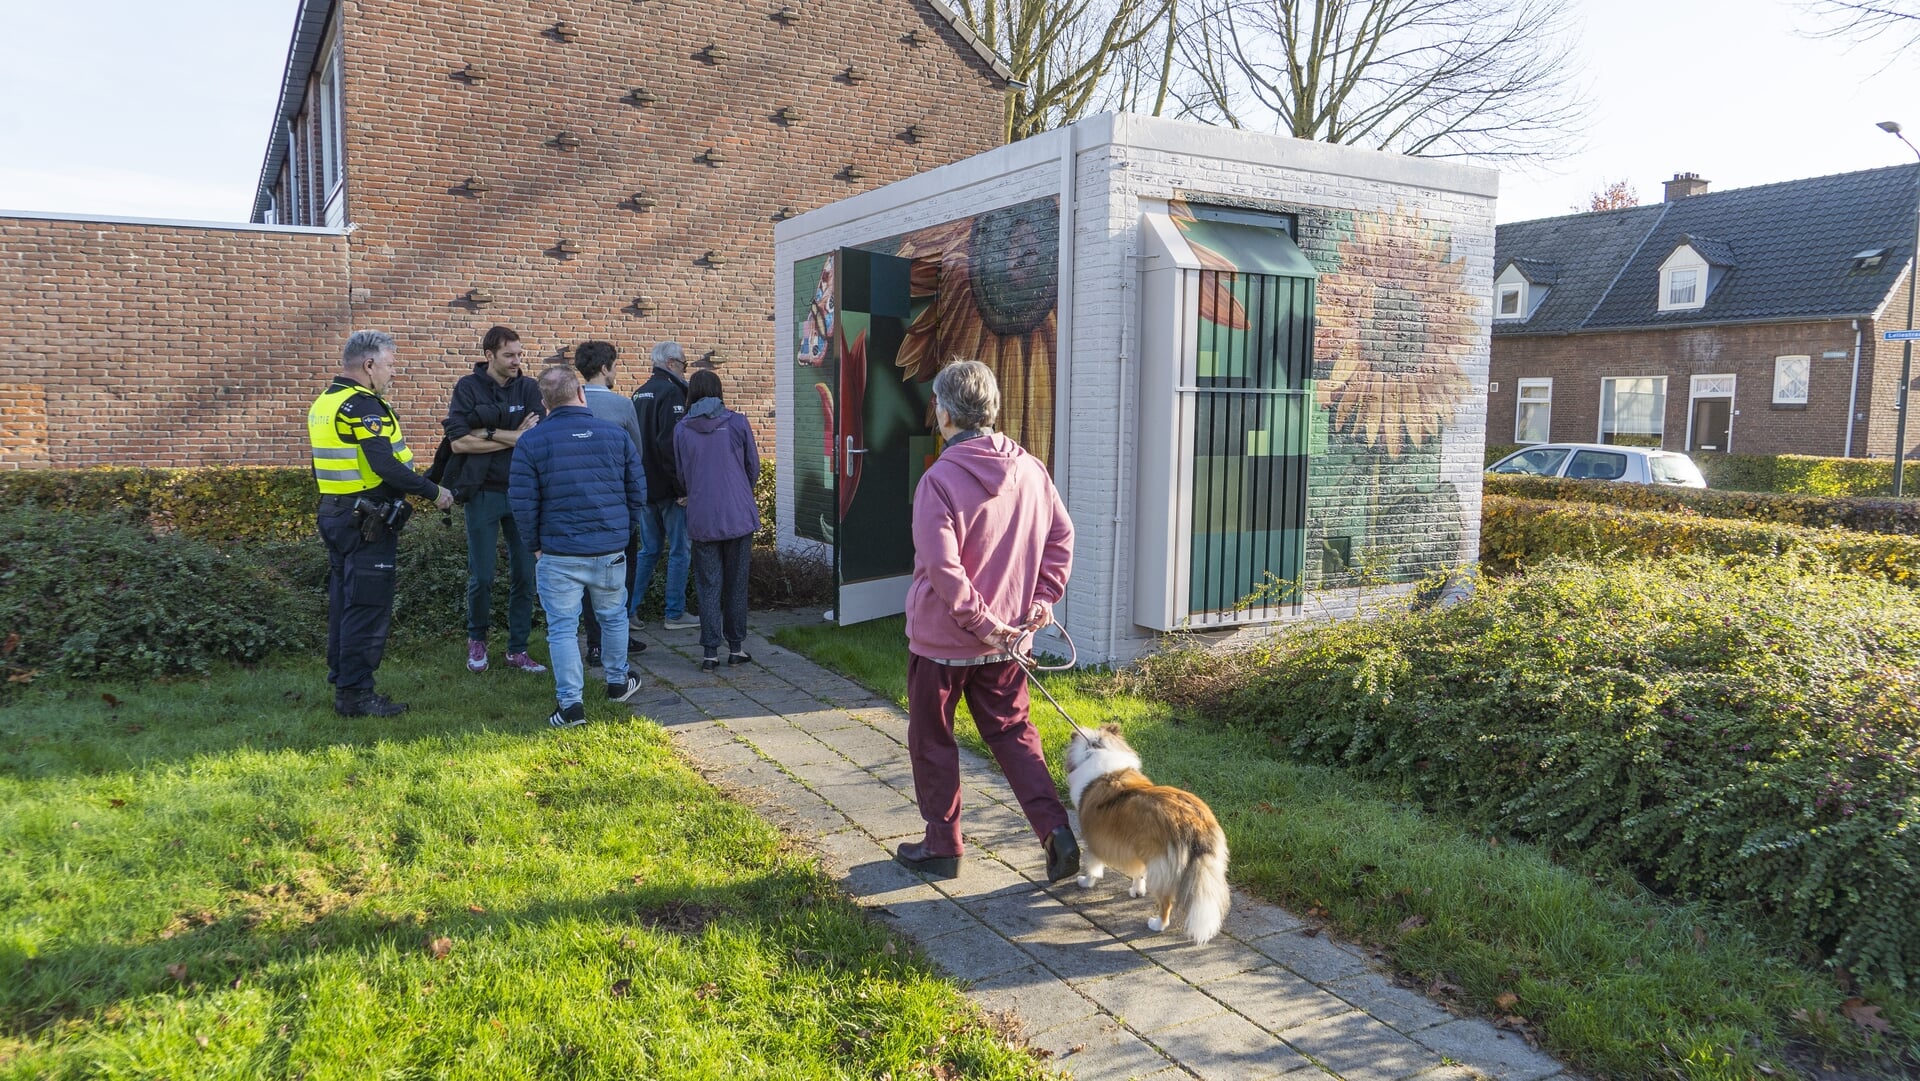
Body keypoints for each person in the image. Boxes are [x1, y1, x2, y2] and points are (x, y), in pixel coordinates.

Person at [894, 359, 1078, 882]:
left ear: (944, 413)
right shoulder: (1032, 470)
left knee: (932, 740)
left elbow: (943, 570)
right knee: (1014, 734)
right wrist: (1041, 599)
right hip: (1007, 643)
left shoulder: (938, 480)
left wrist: (988, 622)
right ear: (992, 407)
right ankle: (1057, 834)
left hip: (944, 643)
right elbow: (1061, 538)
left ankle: (943, 845)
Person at [308, 330, 456, 717]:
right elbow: (384, 465)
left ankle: (343, 677)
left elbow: (321, 465)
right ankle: (356, 695)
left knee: (345, 601)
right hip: (365, 519)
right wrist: (433, 492)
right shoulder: (362, 406)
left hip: (336, 512)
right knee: (367, 605)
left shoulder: (326, 402)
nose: (393, 373)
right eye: (390, 365)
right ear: (369, 364)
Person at [509, 366, 649, 727]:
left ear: (544, 403)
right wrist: (622, 531)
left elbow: (523, 503)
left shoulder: (531, 442)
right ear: (581, 394)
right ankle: (618, 683)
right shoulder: (615, 435)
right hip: (608, 546)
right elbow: (637, 491)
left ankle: (571, 706)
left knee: (562, 628)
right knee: (614, 616)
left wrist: (535, 546)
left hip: (558, 552)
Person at [443, 325, 548, 676]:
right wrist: (514, 435)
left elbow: (535, 439)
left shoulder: (529, 387)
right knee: (483, 575)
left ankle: (517, 649)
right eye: (509, 355)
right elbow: (459, 442)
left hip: (522, 491)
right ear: (489, 355)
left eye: (519, 354)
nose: (517, 361)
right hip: (483, 492)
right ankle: (477, 641)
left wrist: (487, 432)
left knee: (525, 575)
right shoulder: (468, 387)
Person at [672, 369, 760, 673]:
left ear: (692, 393)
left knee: (708, 584)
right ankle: (736, 648)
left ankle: (710, 653)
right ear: (719, 391)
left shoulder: (682, 429)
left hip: (702, 516)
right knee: (736, 584)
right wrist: (739, 493)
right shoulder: (737, 422)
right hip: (738, 515)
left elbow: (682, 474)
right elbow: (752, 467)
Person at [574, 340, 647, 668]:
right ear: (605, 368)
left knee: (588, 578)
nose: (616, 372)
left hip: (577, 506)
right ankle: (619, 636)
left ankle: (595, 645)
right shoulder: (621, 406)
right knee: (622, 573)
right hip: (616, 504)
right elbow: (636, 455)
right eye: (615, 366)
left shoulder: (567, 403)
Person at [631, 341, 697, 631]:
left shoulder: (638, 393)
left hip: (644, 486)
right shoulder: (672, 392)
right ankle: (674, 613)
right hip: (668, 489)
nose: (685, 370)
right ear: (671, 363)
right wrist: (681, 487)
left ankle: (628, 611)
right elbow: (670, 445)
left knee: (649, 550)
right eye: (684, 364)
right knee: (680, 549)